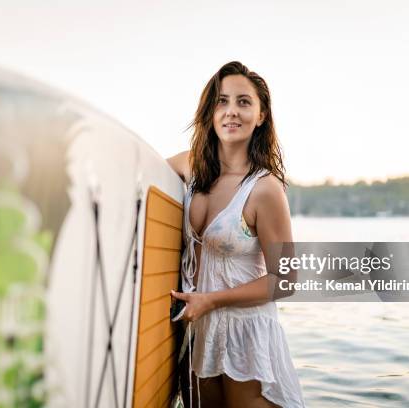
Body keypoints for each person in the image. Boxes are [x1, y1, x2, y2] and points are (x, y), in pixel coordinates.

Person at [167, 61, 305, 408]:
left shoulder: (264, 189)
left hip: (244, 332)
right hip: (198, 328)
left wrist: (210, 301)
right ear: (210, 112)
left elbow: (285, 280)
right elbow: (139, 180)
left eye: (244, 102)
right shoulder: (191, 166)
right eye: (222, 101)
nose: (232, 111)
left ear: (260, 115)